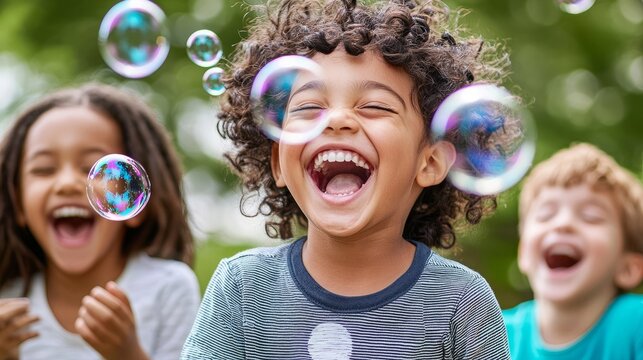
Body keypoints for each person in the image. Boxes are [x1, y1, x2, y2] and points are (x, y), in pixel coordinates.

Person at [182, 0, 514, 358]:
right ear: (278, 161)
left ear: (430, 162)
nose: (337, 119)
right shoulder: (243, 288)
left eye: (374, 106)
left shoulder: (460, 302)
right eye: (310, 108)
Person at [0, 83, 201, 360]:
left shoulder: (169, 288)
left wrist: (127, 354)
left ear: (135, 200)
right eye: (44, 169)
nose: (68, 183)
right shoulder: (6, 300)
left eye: (94, 168)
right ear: (17, 203)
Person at [503, 143, 643, 359]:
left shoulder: (636, 324)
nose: (563, 223)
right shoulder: (494, 332)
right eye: (546, 214)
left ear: (628, 268)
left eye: (591, 217)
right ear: (523, 253)